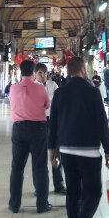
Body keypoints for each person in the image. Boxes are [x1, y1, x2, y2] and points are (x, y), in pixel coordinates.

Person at [48, 57, 109, 218]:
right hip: (89, 152)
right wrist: (108, 150)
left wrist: (52, 148)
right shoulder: (92, 92)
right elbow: (102, 123)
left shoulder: (60, 93)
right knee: (93, 192)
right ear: (83, 70)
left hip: (67, 151)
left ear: (68, 71)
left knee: (73, 192)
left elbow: (53, 123)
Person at [8, 59, 52, 214]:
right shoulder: (40, 89)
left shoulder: (13, 88)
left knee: (17, 168)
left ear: (21, 72)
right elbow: (47, 105)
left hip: (19, 129)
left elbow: (12, 103)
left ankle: (14, 205)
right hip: (38, 129)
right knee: (40, 167)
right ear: (34, 73)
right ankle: (42, 204)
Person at [35, 63, 66, 195]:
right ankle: (40, 187)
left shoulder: (53, 86)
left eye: (44, 73)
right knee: (40, 156)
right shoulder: (33, 87)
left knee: (56, 152)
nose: (43, 75)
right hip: (39, 122)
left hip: (53, 121)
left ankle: (58, 184)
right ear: (35, 74)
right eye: (40, 73)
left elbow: (57, 102)